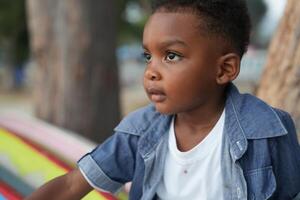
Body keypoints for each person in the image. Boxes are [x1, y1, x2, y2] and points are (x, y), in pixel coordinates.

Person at [25, 0, 300, 199]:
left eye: (171, 56)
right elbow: (72, 186)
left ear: (224, 69)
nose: (151, 72)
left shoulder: (267, 130)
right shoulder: (140, 131)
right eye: (148, 56)